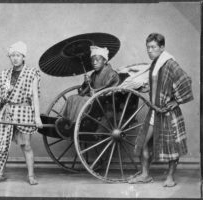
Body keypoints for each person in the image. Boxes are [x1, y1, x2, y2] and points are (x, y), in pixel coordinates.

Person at [128, 33, 193, 187]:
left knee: (172, 146)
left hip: (168, 112)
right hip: (154, 111)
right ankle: (145, 175)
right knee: (144, 143)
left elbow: (185, 81)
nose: (150, 51)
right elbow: (159, 85)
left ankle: (170, 178)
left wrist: (176, 101)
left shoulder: (169, 63)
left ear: (162, 48)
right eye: (148, 47)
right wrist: (148, 88)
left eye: (153, 47)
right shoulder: (155, 64)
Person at [0, 41, 43, 185]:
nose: (15, 58)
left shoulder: (31, 72)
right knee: (2, 145)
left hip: (24, 112)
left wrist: (37, 117)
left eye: (18, 55)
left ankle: (31, 176)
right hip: (7, 112)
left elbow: (34, 96)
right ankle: (0, 174)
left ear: (23, 57)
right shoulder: (5, 74)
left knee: (26, 145)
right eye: (12, 55)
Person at [56, 45, 120, 133]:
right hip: (92, 97)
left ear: (105, 60)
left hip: (104, 100)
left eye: (97, 60)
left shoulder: (112, 74)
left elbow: (110, 88)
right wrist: (87, 82)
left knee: (84, 100)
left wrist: (96, 92)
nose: (94, 63)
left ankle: (75, 123)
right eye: (92, 60)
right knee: (72, 98)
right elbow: (85, 89)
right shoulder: (94, 74)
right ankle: (66, 120)